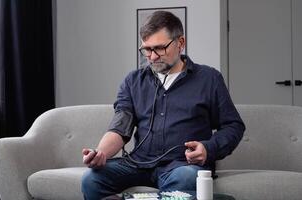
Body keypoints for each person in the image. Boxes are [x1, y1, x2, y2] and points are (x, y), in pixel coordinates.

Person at [81, 11, 245, 200]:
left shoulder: (209, 79)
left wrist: (208, 148)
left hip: (182, 165)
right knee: (91, 180)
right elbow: (120, 127)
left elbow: (233, 126)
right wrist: (100, 153)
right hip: (138, 163)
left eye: (159, 48)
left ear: (180, 43)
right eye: (147, 49)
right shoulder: (133, 81)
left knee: (184, 178)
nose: (152, 57)